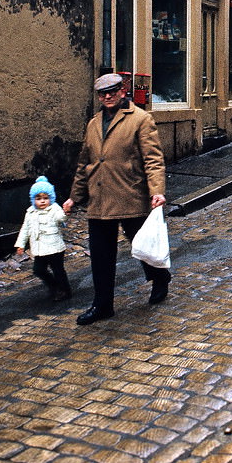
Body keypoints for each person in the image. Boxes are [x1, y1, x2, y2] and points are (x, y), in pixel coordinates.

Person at [63, 73, 169, 325]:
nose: (108, 96)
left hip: (131, 195)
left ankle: (161, 277)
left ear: (123, 91)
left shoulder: (141, 119)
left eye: (112, 91)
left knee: (143, 247)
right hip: (99, 199)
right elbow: (84, 163)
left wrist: (157, 190)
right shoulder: (93, 123)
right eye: (103, 93)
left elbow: (153, 159)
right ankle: (102, 305)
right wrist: (74, 197)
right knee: (101, 256)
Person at [15, 176, 71, 301]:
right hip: (39, 248)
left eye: (45, 198)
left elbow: (60, 218)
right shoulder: (30, 212)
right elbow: (25, 229)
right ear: (33, 199)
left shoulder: (54, 208)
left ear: (50, 198)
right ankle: (54, 286)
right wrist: (21, 244)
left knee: (58, 270)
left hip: (55, 247)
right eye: (38, 198)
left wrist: (65, 213)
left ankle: (65, 290)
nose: (42, 201)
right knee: (38, 270)